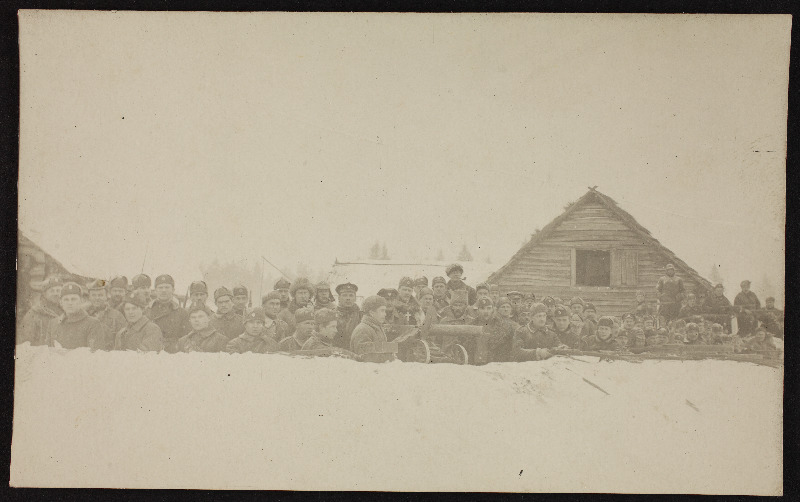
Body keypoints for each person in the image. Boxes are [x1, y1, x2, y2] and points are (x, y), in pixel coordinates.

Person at [47, 282, 109, 350]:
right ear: (61, 302)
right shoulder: (53, 324)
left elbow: (95, 355)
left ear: (81, 301)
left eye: (74, 299)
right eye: (66, 300)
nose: (70, 303)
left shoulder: (92, 324)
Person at [144, 274, 191, 353]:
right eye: (160, 287)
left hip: (174, 353)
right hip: (151, 352)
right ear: (155, 290)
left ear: (173, 290)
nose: (163, 290)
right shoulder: (146, 311)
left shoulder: (182, 313)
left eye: (167, 287)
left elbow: (186, 337)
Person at [18, 276, 64, 346]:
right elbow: (25, 340)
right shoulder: (34, 313)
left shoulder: (68, 311)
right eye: (52, 291)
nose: (55, 293)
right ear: (45, 294)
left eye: (58, 290)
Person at [470, 298, 516, 364]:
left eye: (489, 308)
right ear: (477, 310)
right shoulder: (472, 325)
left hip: (497, 363)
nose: (486, 311)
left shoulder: (502, 324)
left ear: (493, 310)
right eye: (482, 308)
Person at [86, 279, 126, 350]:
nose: (97, 298)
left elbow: (123, 341)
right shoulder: (84, 314)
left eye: (100, 295)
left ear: (107, 296)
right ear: (89, 297)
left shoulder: (117, 316)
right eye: (94, 295)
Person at [334, 282, 362, 350]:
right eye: (344, 295)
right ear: (339, 298)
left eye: (351, 295)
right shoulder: (332, 314)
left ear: (355, 298)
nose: (348, 298)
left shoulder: (361, 315)